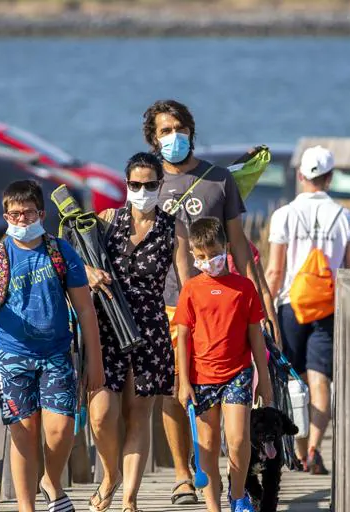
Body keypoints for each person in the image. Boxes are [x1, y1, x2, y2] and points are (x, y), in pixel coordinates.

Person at [142, 99, 280, 505]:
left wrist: (265, 303)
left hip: (221, 302)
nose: (173, 137)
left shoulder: (219, 179)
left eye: (179, 128)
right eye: (164, 131)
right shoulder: (148, 183)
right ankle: (184, 474)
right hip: (166, 301)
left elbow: (239, 244)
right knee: (175, 388)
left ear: (191, 131)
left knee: (225, 385)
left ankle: (231, 489)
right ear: (153, 139)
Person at [0, 179, 104, 512]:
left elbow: (85, 308)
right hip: (12, 355)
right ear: (5, 216)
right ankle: (26, 507)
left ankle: (51, 481)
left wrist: (95, 361)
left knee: (61, 431)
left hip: (56, 353)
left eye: (27, 213)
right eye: (13, 215)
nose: (20, 221)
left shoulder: (59, 251)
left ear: (41, 213)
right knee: (23, 432)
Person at [83, 152, 193, 512]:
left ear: (160, 185)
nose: (142, 190)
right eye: (135, 184)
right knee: (101, 413)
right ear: (125, 184)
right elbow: (71, 257)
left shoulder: (173, 227)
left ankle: (129, 498)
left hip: (150, 327)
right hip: (109, 326)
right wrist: (87, 271)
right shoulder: (107, 220)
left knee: (138, 413)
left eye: (149, 185)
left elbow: (188, 285)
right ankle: (110, 475)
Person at [264, 146, 350, 474]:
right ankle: (315, 449)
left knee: (294, 380)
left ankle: (299, 448)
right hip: (328, 308)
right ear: (330, 177)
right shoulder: (346, 217)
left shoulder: (285, 215)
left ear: (301, 175)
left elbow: (275, 271)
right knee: (321, 382)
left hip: (291, 306)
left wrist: (266, 307)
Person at [173, 217, 273, 512]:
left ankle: (238, 496)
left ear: (226, 248)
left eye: (213, 254)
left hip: (238, 374)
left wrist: (263, 380)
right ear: (193, 254)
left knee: (239, 438)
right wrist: (183, 382)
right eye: (201, 256)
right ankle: (213, 507)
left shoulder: (244, 288)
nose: (208, 261)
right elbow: (183, 336)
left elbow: (256, 337)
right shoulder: (191, 289)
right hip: (202, 376)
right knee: (207, 445)